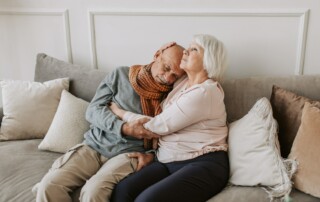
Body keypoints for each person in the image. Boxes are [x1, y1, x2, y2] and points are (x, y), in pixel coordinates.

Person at [33, 42, 185, 202]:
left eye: (175, 75)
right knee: (48, 187)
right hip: (93, 146)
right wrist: (124, 128)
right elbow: (93, 110)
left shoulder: (174, 96)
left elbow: (172, 136)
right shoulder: (121, 75)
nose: (168, 78)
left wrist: (152, 156)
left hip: (128, 154)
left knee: (93, 193)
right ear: (157, 55)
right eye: (167, 68)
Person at [110, 34, 229, 202]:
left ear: (209, 60)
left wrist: (119, 112)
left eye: (193, 49)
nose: (185, 51)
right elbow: (157, 72)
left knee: (146, 200)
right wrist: (163, 50)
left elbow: (156, 126)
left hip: (203, 164)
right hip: (168, 161)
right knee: (124, 190)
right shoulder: (181, 83)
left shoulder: (205, 92)